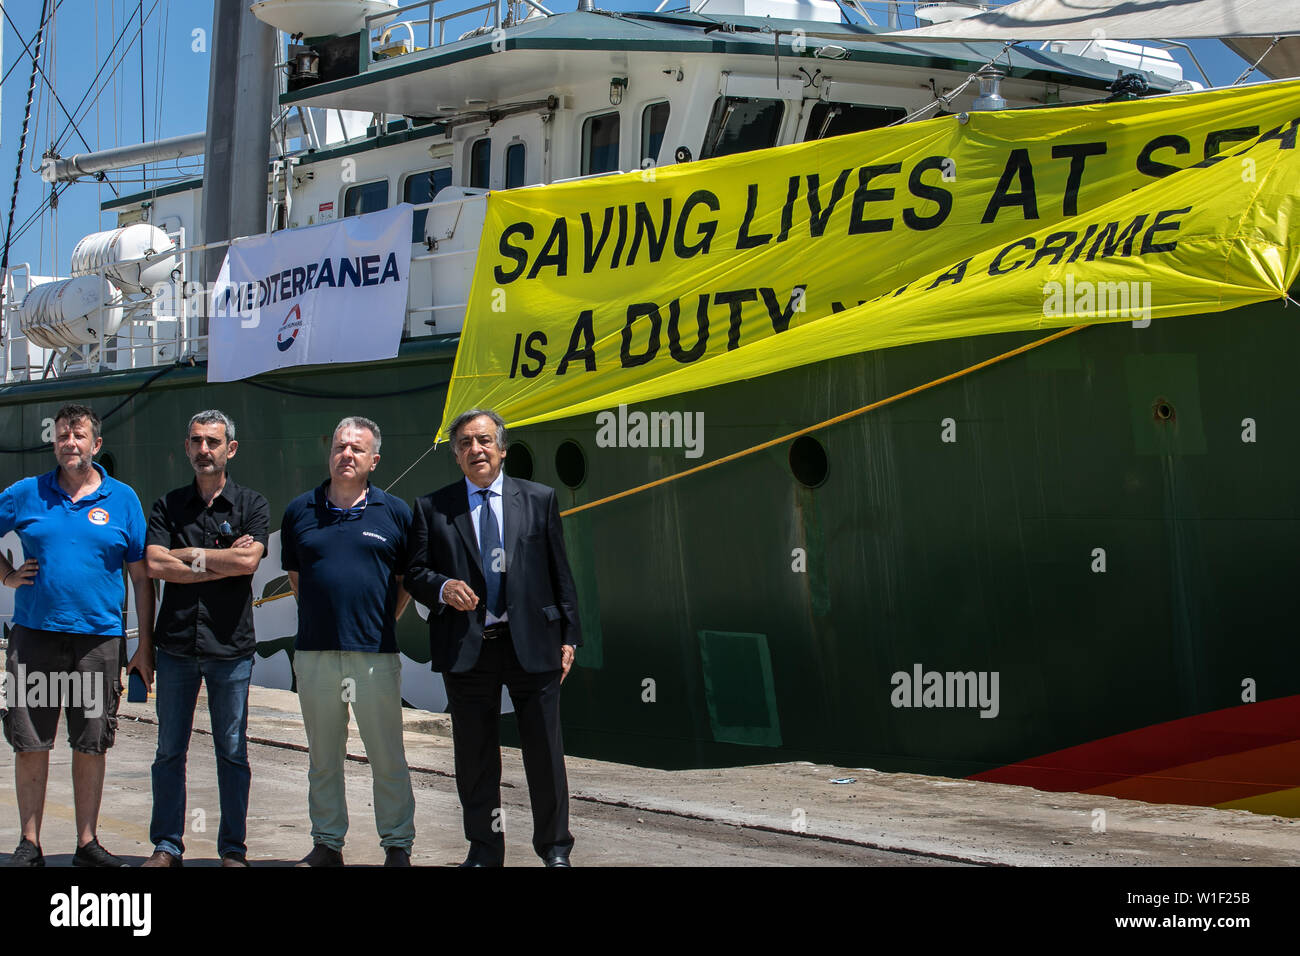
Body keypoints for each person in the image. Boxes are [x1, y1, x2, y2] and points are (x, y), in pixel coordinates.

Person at [405, 408, 581, 867]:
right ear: (456, 456)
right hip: (468, 647)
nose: (475, 449)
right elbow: (416, 573)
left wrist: (570, 636)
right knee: (476, 757)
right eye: (464, 443)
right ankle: (484, 850)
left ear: (502, 449)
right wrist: (443, 587)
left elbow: (560, 572)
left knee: (545, 754)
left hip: (533, 644)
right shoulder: (433, 507)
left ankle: (555, 849)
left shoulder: (539, 499)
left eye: (483, 440)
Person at [0, 403, 153, 867]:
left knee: (91, 740)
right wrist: (7, 575)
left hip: (99, 640)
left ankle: (87, 843)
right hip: (34, 637)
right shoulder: (27, 494)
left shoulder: (122, 499)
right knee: (30, 740)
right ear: (55, 443)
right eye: (64, 436)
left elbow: (143, 577)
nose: (71, 443)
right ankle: (30, 843)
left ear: (96, 444)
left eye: (79, 435)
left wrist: (144, 646)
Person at [280, 416, 415, 867]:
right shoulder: (300, 511)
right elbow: (298, 579)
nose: (347, 455)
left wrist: (375, 623)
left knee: (387, 756)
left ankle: (397, 845)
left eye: (357, 449)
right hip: (316, 653)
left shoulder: (395, 512)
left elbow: (404, 582)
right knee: (323, 756)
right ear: (330, 452)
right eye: (340, 446)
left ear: (373, 460)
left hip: (375, 655)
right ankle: (326, 844)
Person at [142, 410, 268, 868]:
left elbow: (248, 564)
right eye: (196, 441)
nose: (203, 450)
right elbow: (155, 565)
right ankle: (167, 846)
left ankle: (232, 850)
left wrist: (188, 559)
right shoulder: (167, 505)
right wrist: (216, 561)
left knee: (232, 751)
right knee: (169, 751)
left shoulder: (251, 505)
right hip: (175, 646)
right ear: (187, 447)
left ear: (229, 449)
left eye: (212, 442)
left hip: (230, 649)